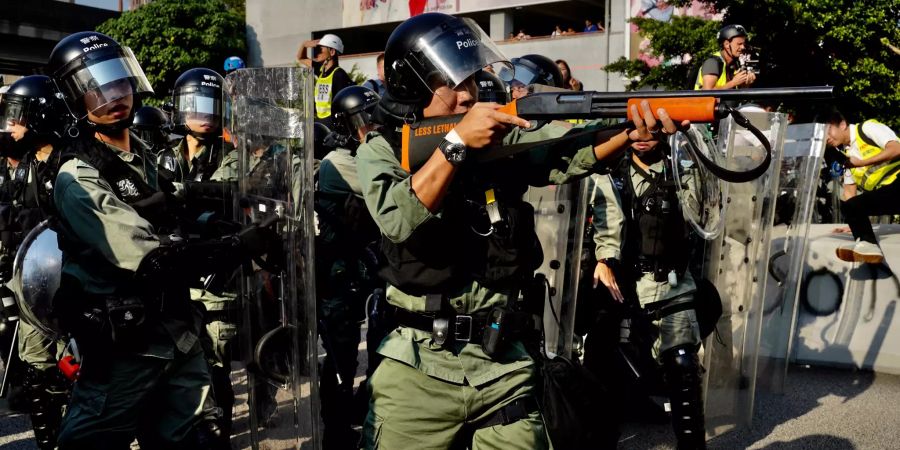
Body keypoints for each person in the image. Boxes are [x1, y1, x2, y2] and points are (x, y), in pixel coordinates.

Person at [355, 12, 684, 449]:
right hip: (417, 366)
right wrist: (456, 146)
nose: (467, 95)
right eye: (451, 83)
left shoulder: (496, 144)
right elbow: (397, 217)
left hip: (503, 360)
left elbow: (564, 156)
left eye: (470, 82)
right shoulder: (382, 150)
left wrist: (627, 131)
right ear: (414, 88)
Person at [46, 31, 272, 448]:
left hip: (176, 330)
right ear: (73, 101)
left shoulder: (142, 157)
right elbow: (152, 259)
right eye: (94, 89)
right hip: (125, 345)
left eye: (117, 81)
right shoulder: (77, 176)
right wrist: (238, 247)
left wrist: (230, 223)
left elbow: (173, 213)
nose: (113, 96)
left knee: (194, 437)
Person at [589, 136, 707, 449]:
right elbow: (606, 221)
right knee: (601, 366)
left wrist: (688, 146)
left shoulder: (680, 167)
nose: (643, 137)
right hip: (621, 284)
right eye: (636, 129)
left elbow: (698, 213)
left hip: (670, 283)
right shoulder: (608, 171)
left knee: (683, 363)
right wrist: (604, 260)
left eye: (651, 129)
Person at [0, 74, 68, 450]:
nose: (10, 125)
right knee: (37, 372)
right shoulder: (25, 166)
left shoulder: (71, 164)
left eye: (17, 115)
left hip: (74, 290)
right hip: (34, 287)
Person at [315, 85, 383, 449]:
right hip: (337, 275)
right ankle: (336, 430)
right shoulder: (338, 161)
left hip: (357, 271)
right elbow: (390, 184)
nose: (370, 125)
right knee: (341, 357)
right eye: (362, 119)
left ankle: (352, 416)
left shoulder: (357, 154)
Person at [827, 111, 900, 264]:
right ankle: (868, 246)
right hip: (891, 194)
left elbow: (896, 148)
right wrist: (856, 222)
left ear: (842, 124)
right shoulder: (846, 155)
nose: (826, 137)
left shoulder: (867, 129)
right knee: (850, 206)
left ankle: (868, 246)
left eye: (828, 130)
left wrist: (862, 162)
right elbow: (849, 192)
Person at [297, 34, 353, 129]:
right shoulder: (321, 70)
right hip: (320, 120)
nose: (317, 53)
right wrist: (304, 44)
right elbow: (301, 58)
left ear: (332, 52)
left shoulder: (339, 75)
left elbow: (345, 105)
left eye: (320, 49)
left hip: (333, 123)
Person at [694, 24, 756, 90]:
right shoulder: (712, 63)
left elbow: (736, 94)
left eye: (743, 44)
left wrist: (745, 84)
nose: (743, 47)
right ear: (726, 44)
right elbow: (707, 92)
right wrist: (733, 82)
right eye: (739, 44)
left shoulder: (735, 64)